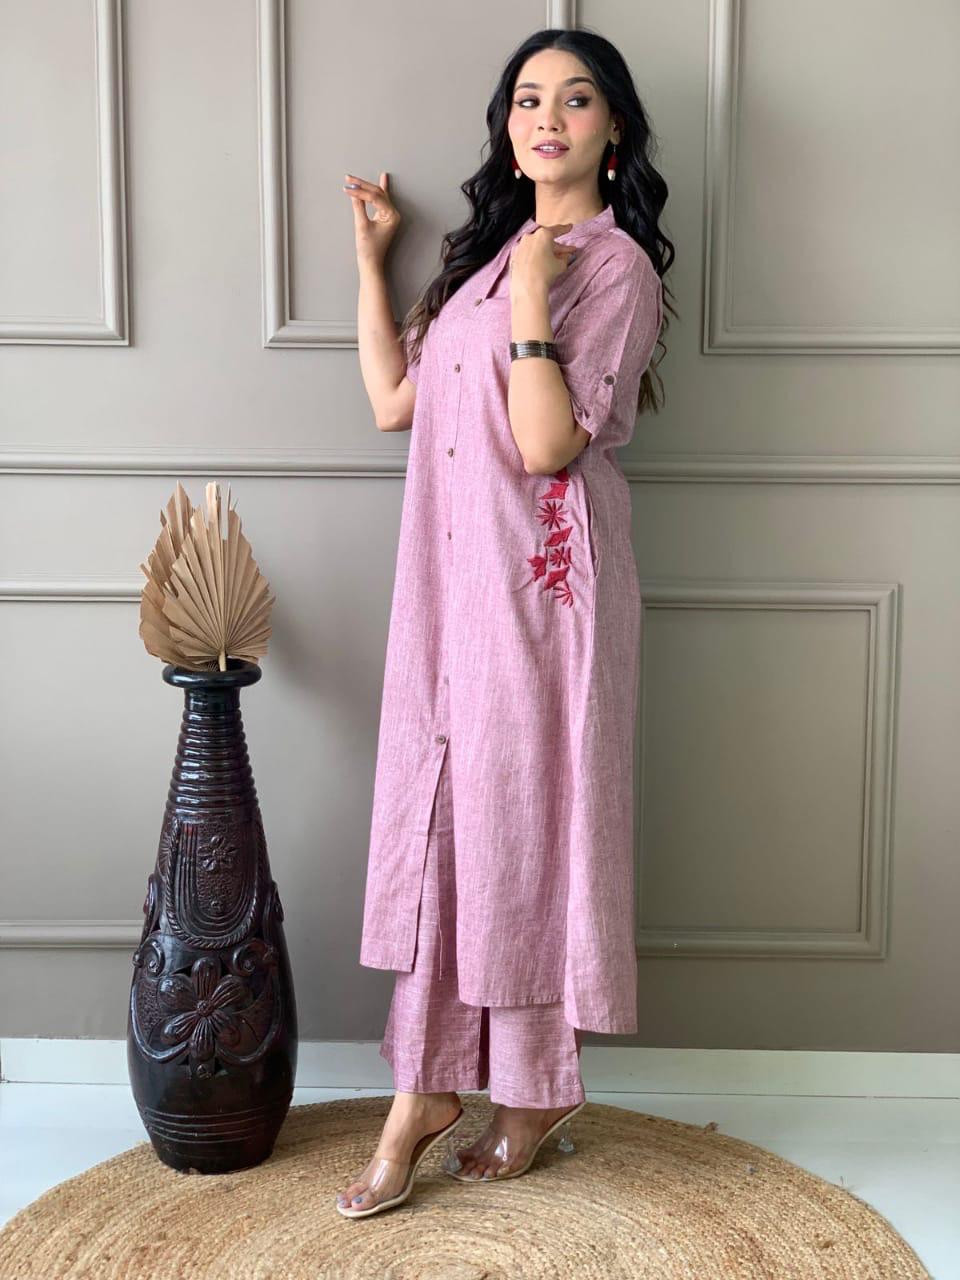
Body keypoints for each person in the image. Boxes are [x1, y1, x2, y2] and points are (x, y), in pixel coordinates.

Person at [336, 26, 674, 1218]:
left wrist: (536, 295)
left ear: (612, 127)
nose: (548, 119)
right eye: (529, 99)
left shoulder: (613, 268)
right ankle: (434, 1086)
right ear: (509, 126)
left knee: (519, 830)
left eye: (576, 100)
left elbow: (545, 444)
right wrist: (375, 260)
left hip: (541, 596)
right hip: (446, 583)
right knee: (446, 824)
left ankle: (513, 1090)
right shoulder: (484, 262)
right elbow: (393, 401)